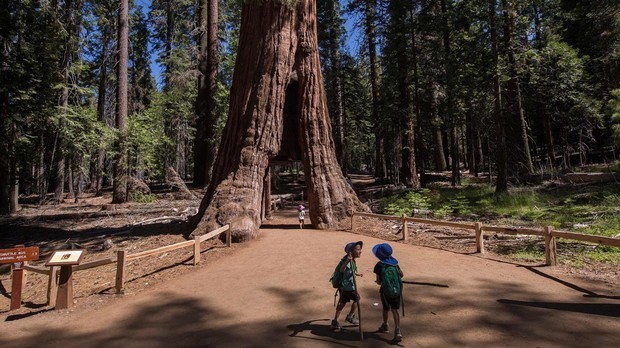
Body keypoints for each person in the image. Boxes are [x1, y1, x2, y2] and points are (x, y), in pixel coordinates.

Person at [372, 243, 404, 342]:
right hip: (397, 290)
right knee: (395, 310)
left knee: (386, 309)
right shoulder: (395, 264)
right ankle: (398, 331)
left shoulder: (379, 266)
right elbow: (401, 275)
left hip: (385, 291)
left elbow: (378, 282)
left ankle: (385, 325)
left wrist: (381, 282)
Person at [331, 241, 363, 330]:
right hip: (348, 287)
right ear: (351, 252)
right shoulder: (348, 261)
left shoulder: (350, 260)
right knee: (357, 298)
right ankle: (350, 316)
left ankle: (335, 321)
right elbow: (342, 270)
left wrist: (356, 274)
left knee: (342, 303)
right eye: (358, 249)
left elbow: (348, 272)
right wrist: (347, 261)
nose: (360, 251)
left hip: (342, 286)